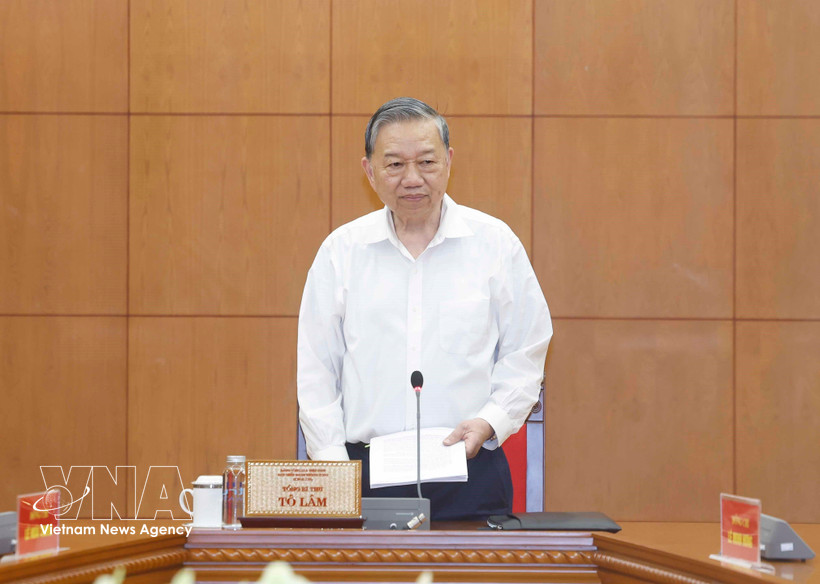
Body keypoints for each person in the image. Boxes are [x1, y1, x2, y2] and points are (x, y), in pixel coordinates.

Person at [297, 97, 552, 520]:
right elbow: (316, 370)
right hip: (364, 474)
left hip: (470, 468)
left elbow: (527, 349)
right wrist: (333, 468)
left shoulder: (494, 244)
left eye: (427, 162)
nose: (412, 178)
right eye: (395, 164)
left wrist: (491, 420)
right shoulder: (341, 252)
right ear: (369, 171)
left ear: (449, 161)